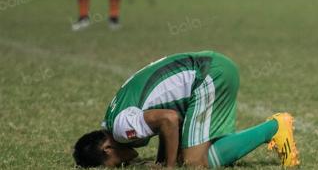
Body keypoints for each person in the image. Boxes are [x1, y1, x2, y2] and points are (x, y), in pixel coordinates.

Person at [73, 51, 299, 168]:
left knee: (194, 163)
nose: (124, 164)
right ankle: (268, 129)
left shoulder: (122, 129)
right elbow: (165, 122)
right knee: (190, 156)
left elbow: (169, 119)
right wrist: (163, 160)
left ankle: (275, 127)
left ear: (107, 150)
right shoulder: (113, 117)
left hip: (208, 76)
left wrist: (169, 167)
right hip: (211, 69)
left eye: (117, 165)